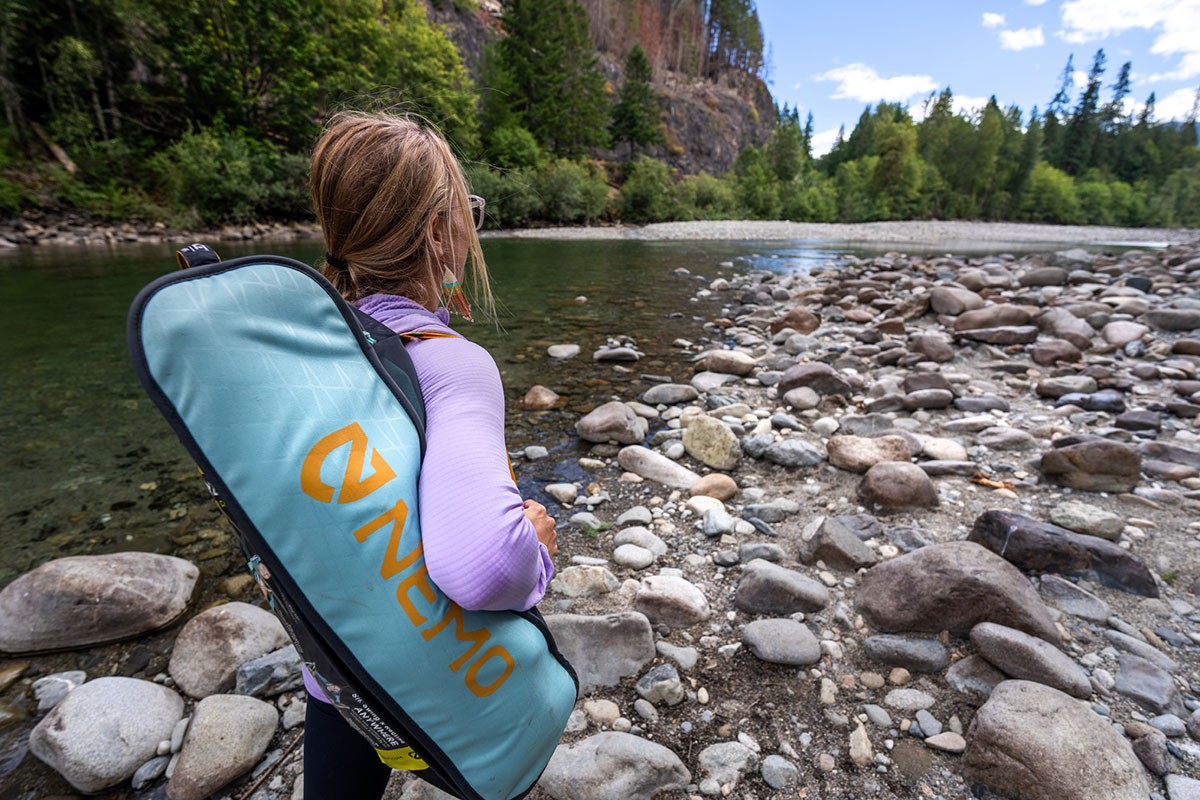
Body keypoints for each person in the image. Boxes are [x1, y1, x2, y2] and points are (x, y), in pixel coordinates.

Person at [301, 111, 558, 800]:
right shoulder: (449, 364)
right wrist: (535, 549)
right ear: (439, 233)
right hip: (417, 667)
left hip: (330, 661)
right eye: (469, 213)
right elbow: (485, 569)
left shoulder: (303, 344)